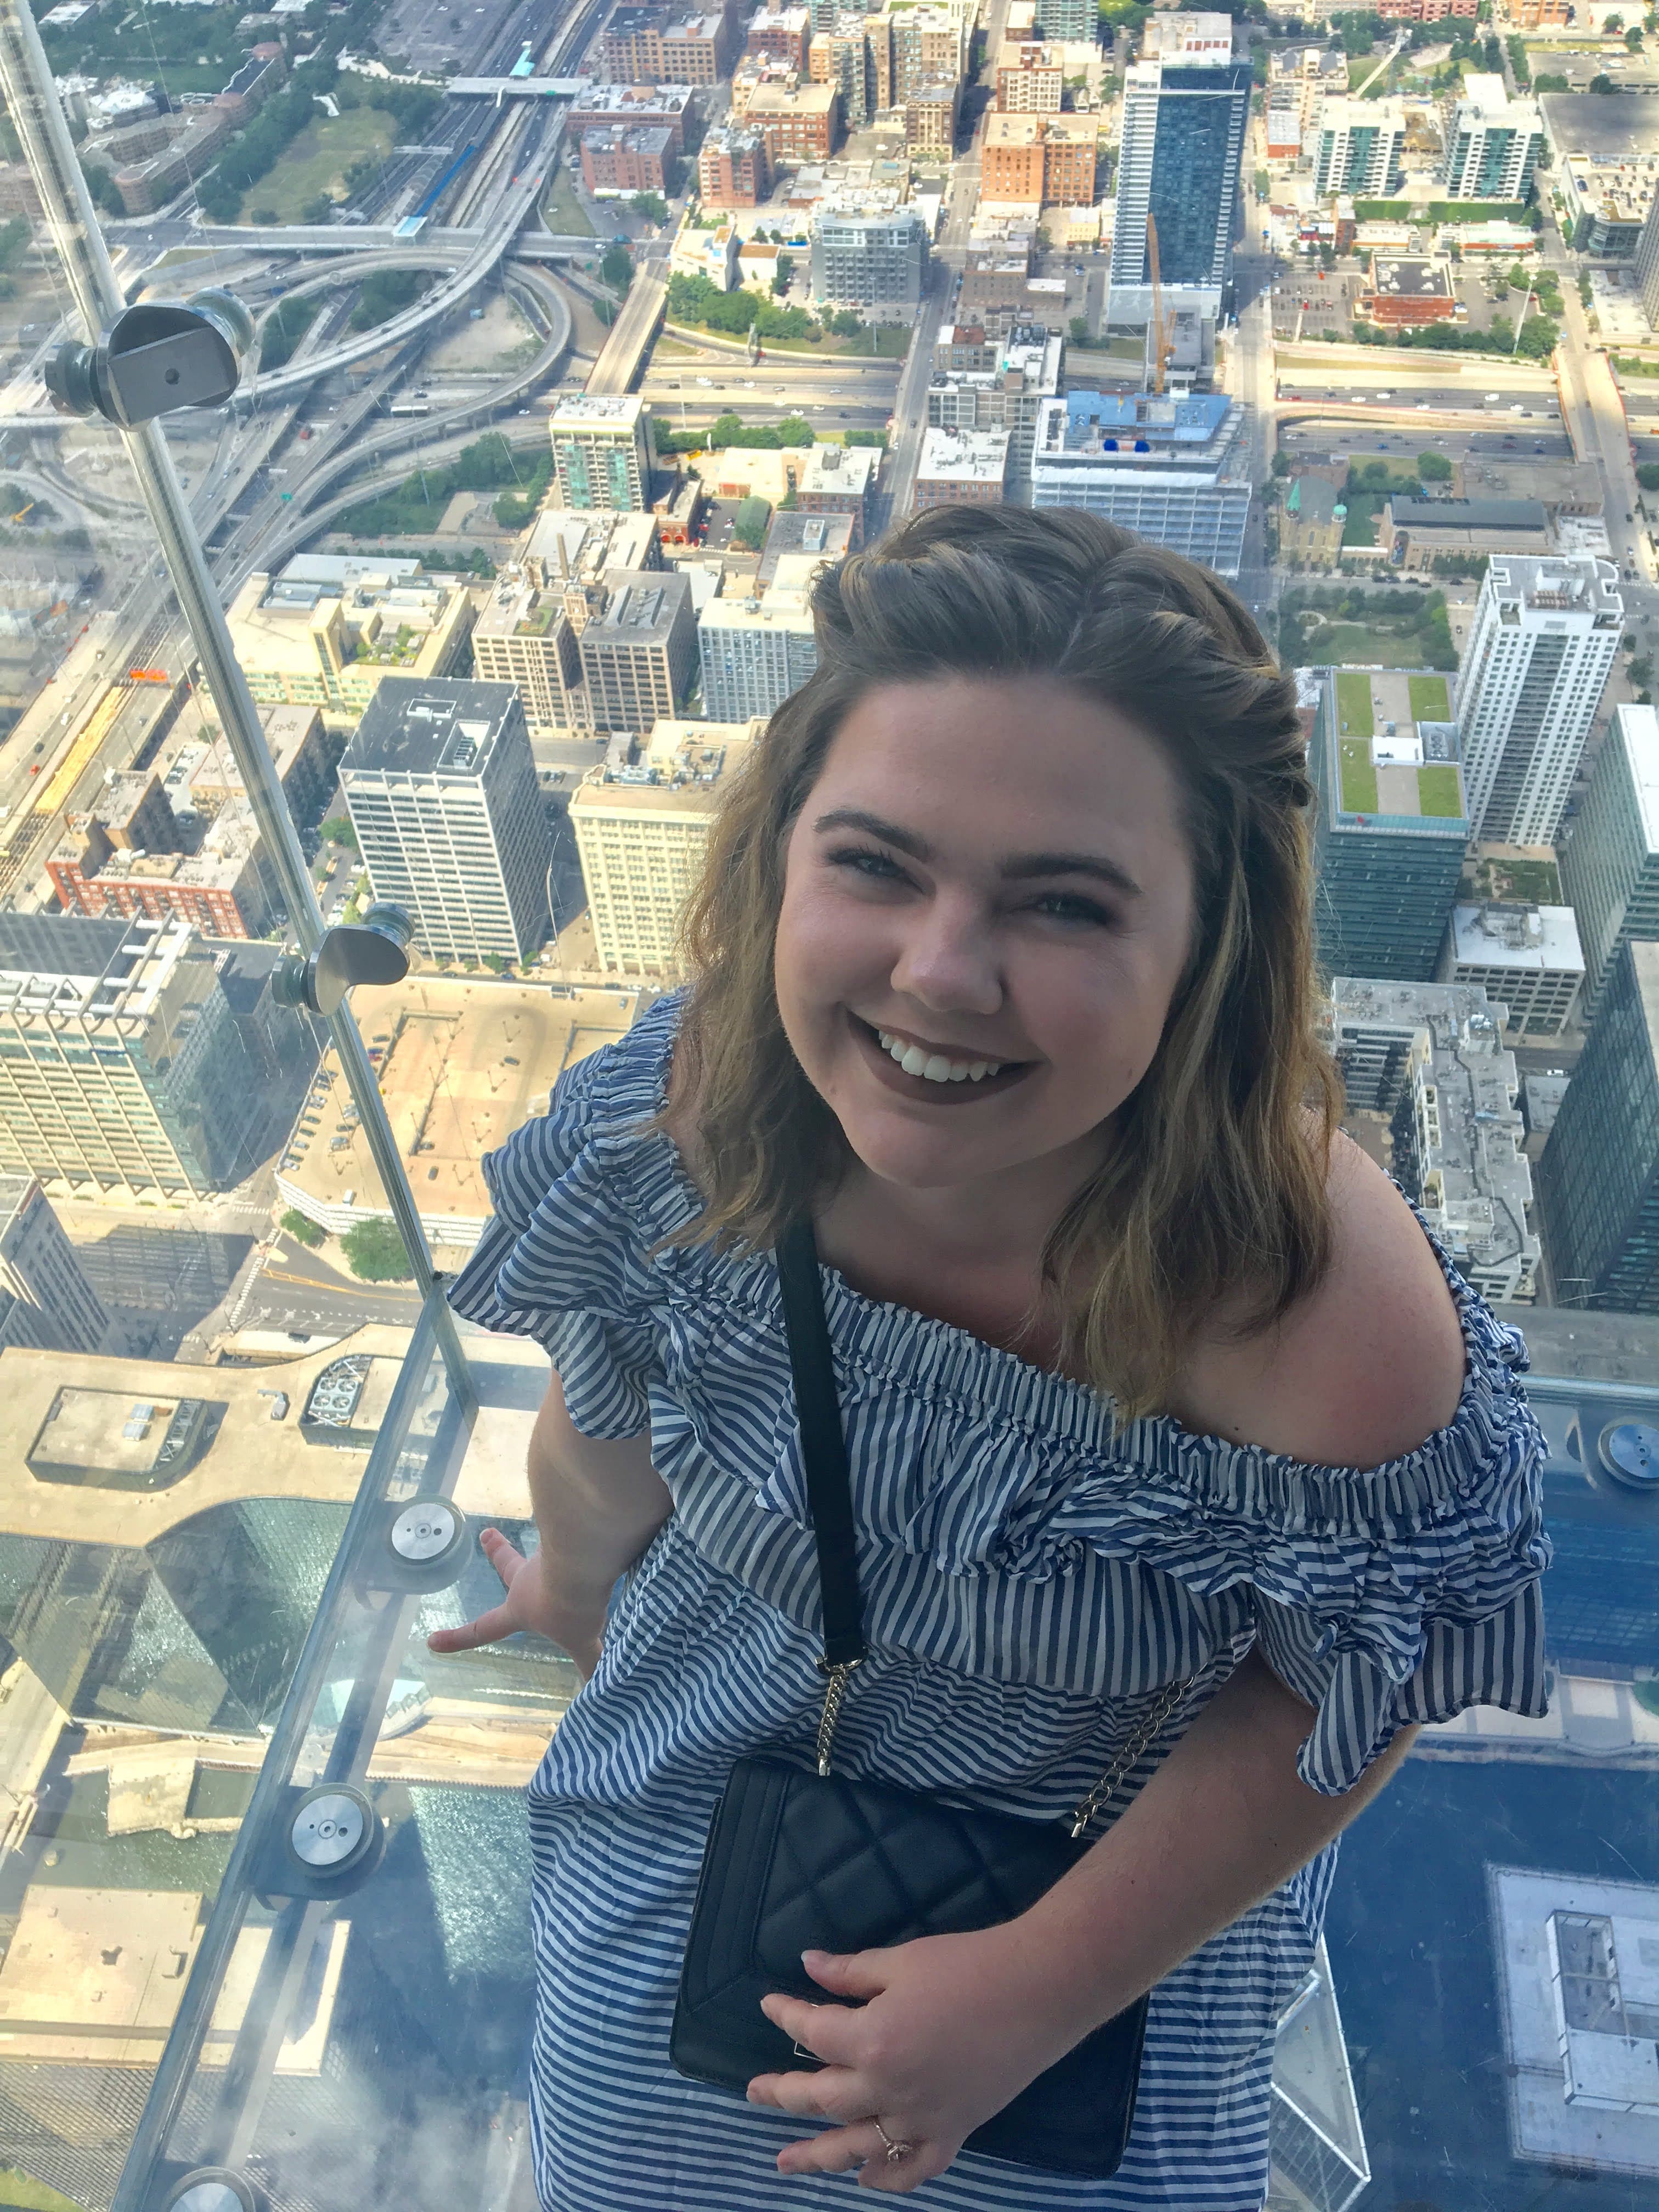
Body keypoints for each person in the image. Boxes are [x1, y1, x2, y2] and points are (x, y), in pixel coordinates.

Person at [431, 507, 1551, 2208]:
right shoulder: (691, 1125)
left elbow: (1337, 1688)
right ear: (779, 859)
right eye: (875, 864)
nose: (941, 974)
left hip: (1108, 1877)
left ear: (1208, 954)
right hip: (715, 1768)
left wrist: (1043, 1987)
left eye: (1064, 905)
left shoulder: (1300, 1295)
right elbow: (608, 1432)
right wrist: (580, 1594)